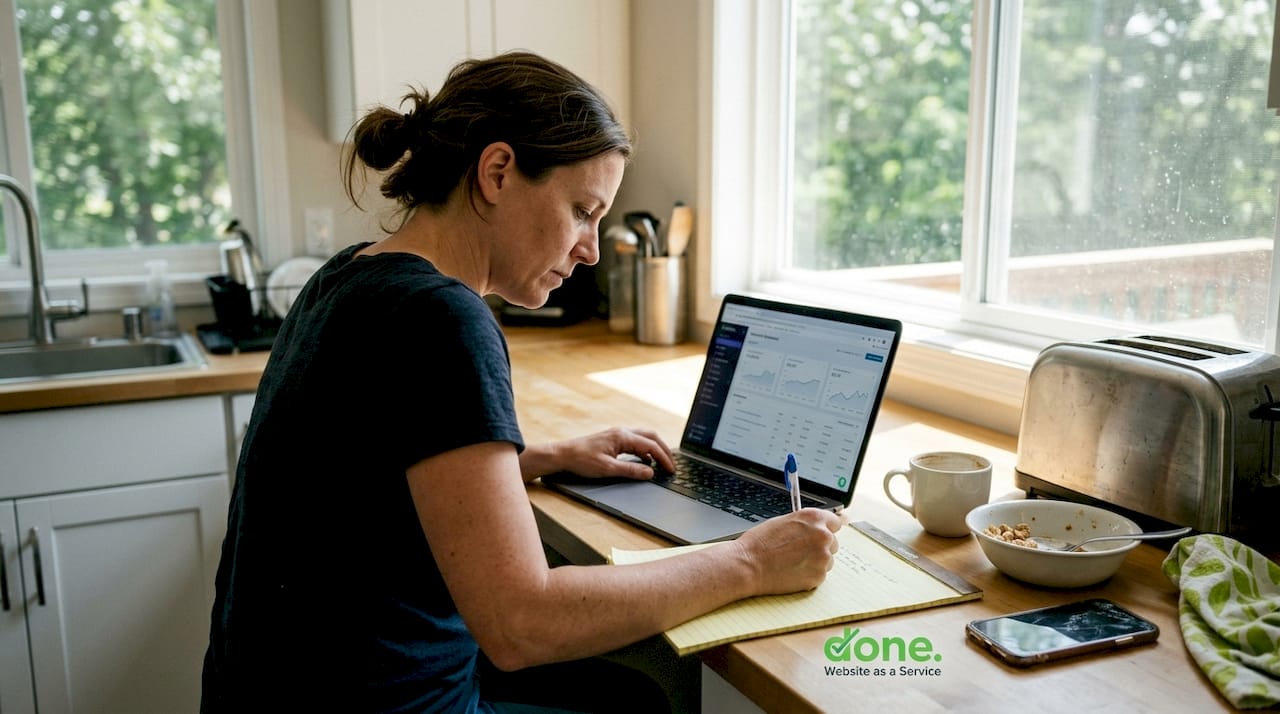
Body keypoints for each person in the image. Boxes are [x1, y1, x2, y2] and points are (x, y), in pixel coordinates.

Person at [201, 51, 844, 713]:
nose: (591, 247)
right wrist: (748, 563)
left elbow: (367, 476)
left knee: (632, 692)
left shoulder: (349, 276)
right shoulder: (443, 318)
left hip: (263, 692)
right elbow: (520, 625)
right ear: (498, 172)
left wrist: (536, 458)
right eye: (582, 211)